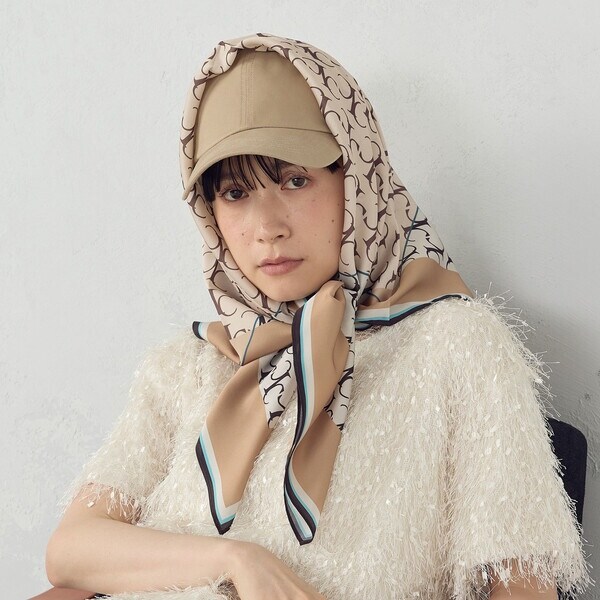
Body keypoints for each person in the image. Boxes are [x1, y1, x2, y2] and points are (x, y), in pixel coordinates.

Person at [44, 33, 593, 600]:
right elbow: (72, 551)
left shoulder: (455, 346)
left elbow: (523, 590)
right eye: (234, 193)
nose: (267, 227)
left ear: (357, 181)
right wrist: (237, 560)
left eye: (294, 180)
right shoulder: (187, 366)